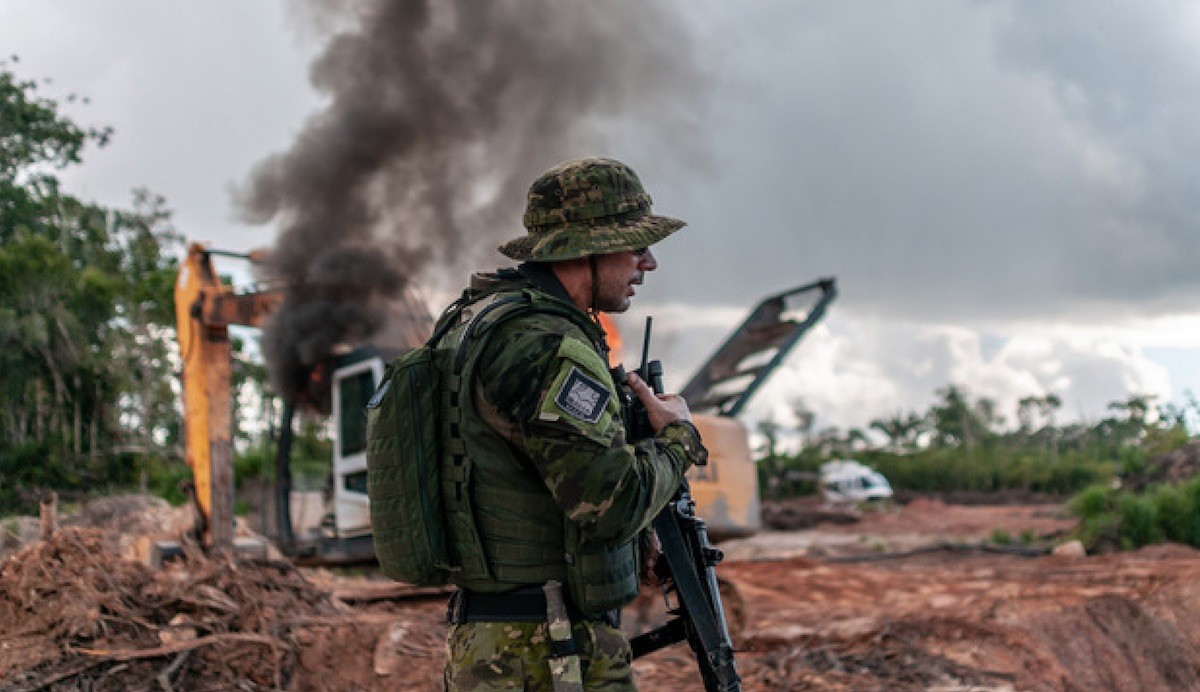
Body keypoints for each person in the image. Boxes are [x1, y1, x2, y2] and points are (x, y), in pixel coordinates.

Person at [438, 157, 707, 690]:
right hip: (545, 650)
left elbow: (530, 480)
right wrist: (679, 436)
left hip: (508, 643)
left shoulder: (482, 320)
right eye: (636, 246)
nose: (648, 263)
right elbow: (612, 506)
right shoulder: (549, 348)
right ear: (586, 248)